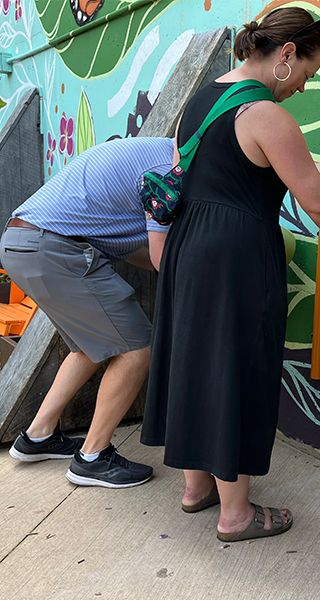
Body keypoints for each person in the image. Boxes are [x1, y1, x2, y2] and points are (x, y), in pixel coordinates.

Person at [140, 7, 320, 542]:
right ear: (287, 55)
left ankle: (196, 488)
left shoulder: (198, 100)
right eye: (309, 73)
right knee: (237, 369)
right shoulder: (266, 115)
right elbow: (317, 200)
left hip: (188, 247)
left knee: (196, 361)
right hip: (236, 255)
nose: (304, 87)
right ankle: (236, 514)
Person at [0, 136, 176, 488]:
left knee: (90, 347)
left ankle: (38, 435)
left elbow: (131, 251)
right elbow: (164, 257)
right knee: (136, 349)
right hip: (54, 247)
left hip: (20, 243)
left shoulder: (146, 151)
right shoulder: (170, 172)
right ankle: (93, 457)